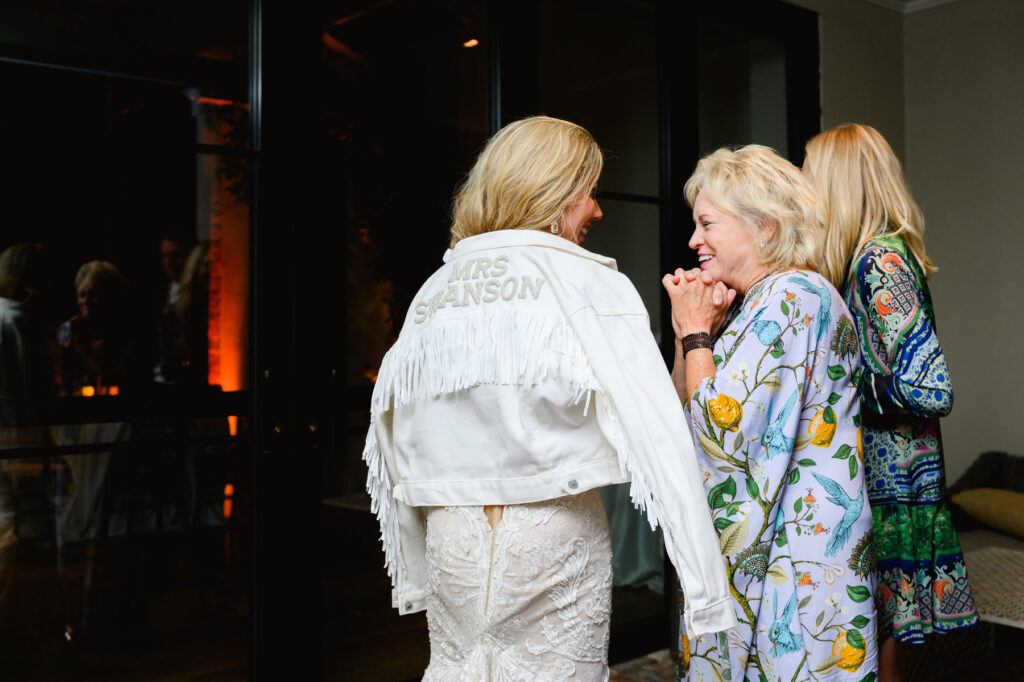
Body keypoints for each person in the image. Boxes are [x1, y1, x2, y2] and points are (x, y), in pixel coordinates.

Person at [363, 116, 736, 679]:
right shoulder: (587, 281)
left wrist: (412, 569)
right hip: (554, 531)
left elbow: (390, 431)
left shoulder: (433, 292)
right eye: (588, 190)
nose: (598, 209)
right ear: (553, 192)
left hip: (453, 539)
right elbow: (658, 428)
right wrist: (705, 589)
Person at [663, 145, 877, 681]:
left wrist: (696, 334)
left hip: (796, 556)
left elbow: (722, 431)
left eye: (707, 222)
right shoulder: (756, 302)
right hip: (782, 546)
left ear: (763, 226)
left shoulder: (792, 296)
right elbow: (679, 415)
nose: (693, 241)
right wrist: (690, 337)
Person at [803, 123, 977, 681]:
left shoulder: (880, 261)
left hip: (893, 486)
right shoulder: (866, 258)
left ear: (838, 182)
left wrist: (847, 384)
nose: (803, 183)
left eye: (809, 170)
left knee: (883, 654)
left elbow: (933, 387)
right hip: (884, 480)